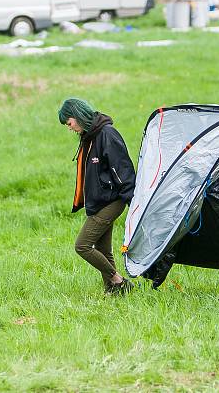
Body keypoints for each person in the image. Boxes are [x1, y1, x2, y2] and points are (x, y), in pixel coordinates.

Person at [59, 98, 136, 295]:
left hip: (113, 200)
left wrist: (133, 202)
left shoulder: (106, 134)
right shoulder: (89, 136)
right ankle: (113, 291)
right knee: (103, 250)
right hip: (100, 201)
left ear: (77, 116)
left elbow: (123, 168)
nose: (70, 128)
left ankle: (118, 280)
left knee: (82, 245)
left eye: (69, 123)